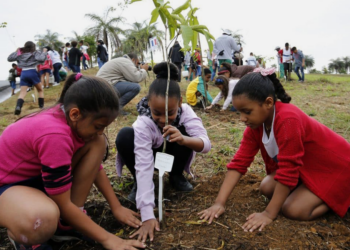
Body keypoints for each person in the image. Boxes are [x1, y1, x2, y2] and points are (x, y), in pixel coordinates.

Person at [0, 73, 146, 250]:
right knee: (41, 220)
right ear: (75, 114)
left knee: (97, 143)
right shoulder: (55, 135)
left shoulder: (70, 120)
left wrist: (116, 207)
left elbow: (94, 168)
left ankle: (64, 224)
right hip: (8, 188)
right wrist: (108, 239)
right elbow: (62, 202)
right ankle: (23, 238)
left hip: (39, 179)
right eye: (99, 126)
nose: (101, 132)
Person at [199, 67, 350, 233]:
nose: (242, 119)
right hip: (307, 168)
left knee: (293, 209)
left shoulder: (288, 121)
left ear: (268, 103)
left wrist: (269, 214)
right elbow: (239, 163)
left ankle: (340, 197)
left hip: (335, 168)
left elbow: (288, 170)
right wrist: (219, 203)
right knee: (266, 187)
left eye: (247, 112)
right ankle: (309, 190)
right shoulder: (256, 125)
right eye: (239, 112)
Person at [115, 62, 211, 243]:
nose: (163, 119)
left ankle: (176, 176)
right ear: (148, 103)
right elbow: (143, 164)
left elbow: (205, 144)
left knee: (185, 132)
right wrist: (147, 214)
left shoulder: (186, 112)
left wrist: (183, 139)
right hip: (150, 156)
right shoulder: (144, 123)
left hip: (174, 155)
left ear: (180, 103)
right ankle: (140, 185)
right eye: (157, 112)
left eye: (170, 112)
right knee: (125, 136)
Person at [8, 41, 46, 115]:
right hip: (32, 71)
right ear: (33, 47)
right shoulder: (35, 52)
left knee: (22, 92)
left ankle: (18, 107)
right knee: (40, 90)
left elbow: (9, 58)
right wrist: (44, 52)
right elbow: (41, 59)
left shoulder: (20, 54)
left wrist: (16, 51)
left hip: (24, 73)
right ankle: (41, 107)